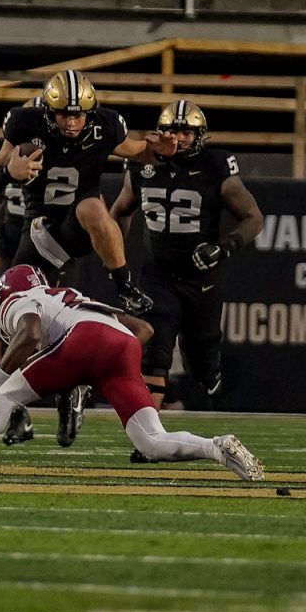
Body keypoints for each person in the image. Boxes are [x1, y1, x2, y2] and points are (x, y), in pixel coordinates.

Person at [0, 71, 176, 448]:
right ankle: (49, 400)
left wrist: (159, 148)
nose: (72, 121)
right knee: (24, 329)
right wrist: (6, 175)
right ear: (48, 112)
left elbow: (137, 150)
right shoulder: (25, 124)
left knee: (93, 208)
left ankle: (123, 285)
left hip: (78, 230)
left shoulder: (106, 126)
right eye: (64, 114)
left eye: (79, 115)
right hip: (39, 231)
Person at [0, 264, 265, 481]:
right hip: (122, 345)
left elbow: (30, 333)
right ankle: (216, 447)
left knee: (2, 395)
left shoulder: (20, 300)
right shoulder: (69, 295)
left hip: (81, 339)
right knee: (151, 442)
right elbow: (143, 329)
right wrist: (98, 367)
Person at [109, 100, 264, 416]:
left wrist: (223, 247)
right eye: (171, 131)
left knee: (201, 358)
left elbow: (253, 218)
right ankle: (147, 436)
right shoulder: (141, 164)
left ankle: (208, 371)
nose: (177, 138)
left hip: (200, 280)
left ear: (200, 136)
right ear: (159, 133)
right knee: (155, 352)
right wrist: (113, 254)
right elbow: (120, 212)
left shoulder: (215, 165)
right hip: (157, 276)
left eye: (185, 132)